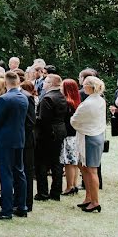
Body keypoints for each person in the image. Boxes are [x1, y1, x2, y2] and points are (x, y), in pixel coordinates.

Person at [0, 72, 28, 220]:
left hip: (5, 140)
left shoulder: (4, 99)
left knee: (6, 174)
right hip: (19, 138)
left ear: (6, 82)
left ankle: (6, 210)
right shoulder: (24, 97)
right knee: (19, 172)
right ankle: (22, 206)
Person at [71, 76, 107, 212]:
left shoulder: (88, 103)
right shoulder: (99, 100)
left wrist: (75, 121)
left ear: (90, 87)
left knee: (91, 170)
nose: (82, 87)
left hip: (90, 137)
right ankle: (88, 197)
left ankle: (95, 201)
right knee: (83, 166)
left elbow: (74, 120)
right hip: (93, 135)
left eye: (84, 85)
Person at [34, 74, 68, 202]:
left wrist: (34, 119)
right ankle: (55, 192)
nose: (44, 84)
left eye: (47, 82)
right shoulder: (61, 96)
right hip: (59, 130)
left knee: (41, 163)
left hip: (48, 133)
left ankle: (42, 193)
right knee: (56, 162)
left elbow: (43, 120)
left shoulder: (47, 98)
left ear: (52, 84)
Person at [60, 79, 81, 195]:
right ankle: (74, 184)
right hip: (75, 135)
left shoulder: (66, 103)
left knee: (68, 162)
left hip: (68, 135)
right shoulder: (77, 102)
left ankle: (69, 186)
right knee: (74, 162)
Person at [19, 80, 37, 213]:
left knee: (27, 171)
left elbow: (30, 122)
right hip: (18, 140)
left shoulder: (27, 98)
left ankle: (27, 203)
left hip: (26, 140)